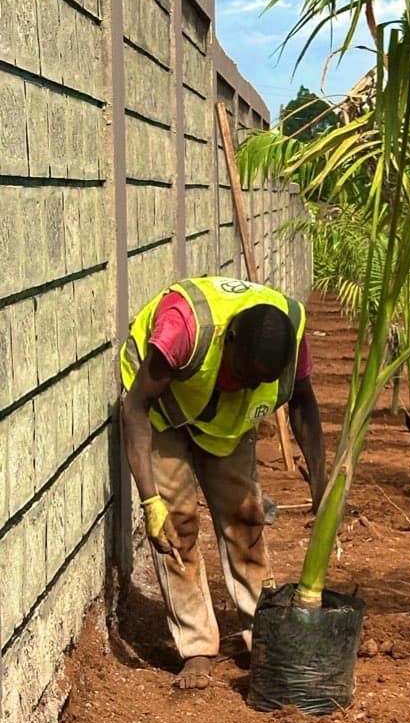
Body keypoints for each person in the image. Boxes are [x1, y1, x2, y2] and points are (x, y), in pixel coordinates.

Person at [120, 276, 327, 690]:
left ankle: (262, 634)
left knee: (245, 520)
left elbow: (303, 400)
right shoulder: (184, 328)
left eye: (259, 382)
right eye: (245, 375)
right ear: (228, 341)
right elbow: (136, 408)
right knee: (176, 525)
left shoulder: (290, 331)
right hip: (162, 414)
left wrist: (321, 483)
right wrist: (149, 501)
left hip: (224, 427)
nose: (250, 387)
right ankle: (196, 647)